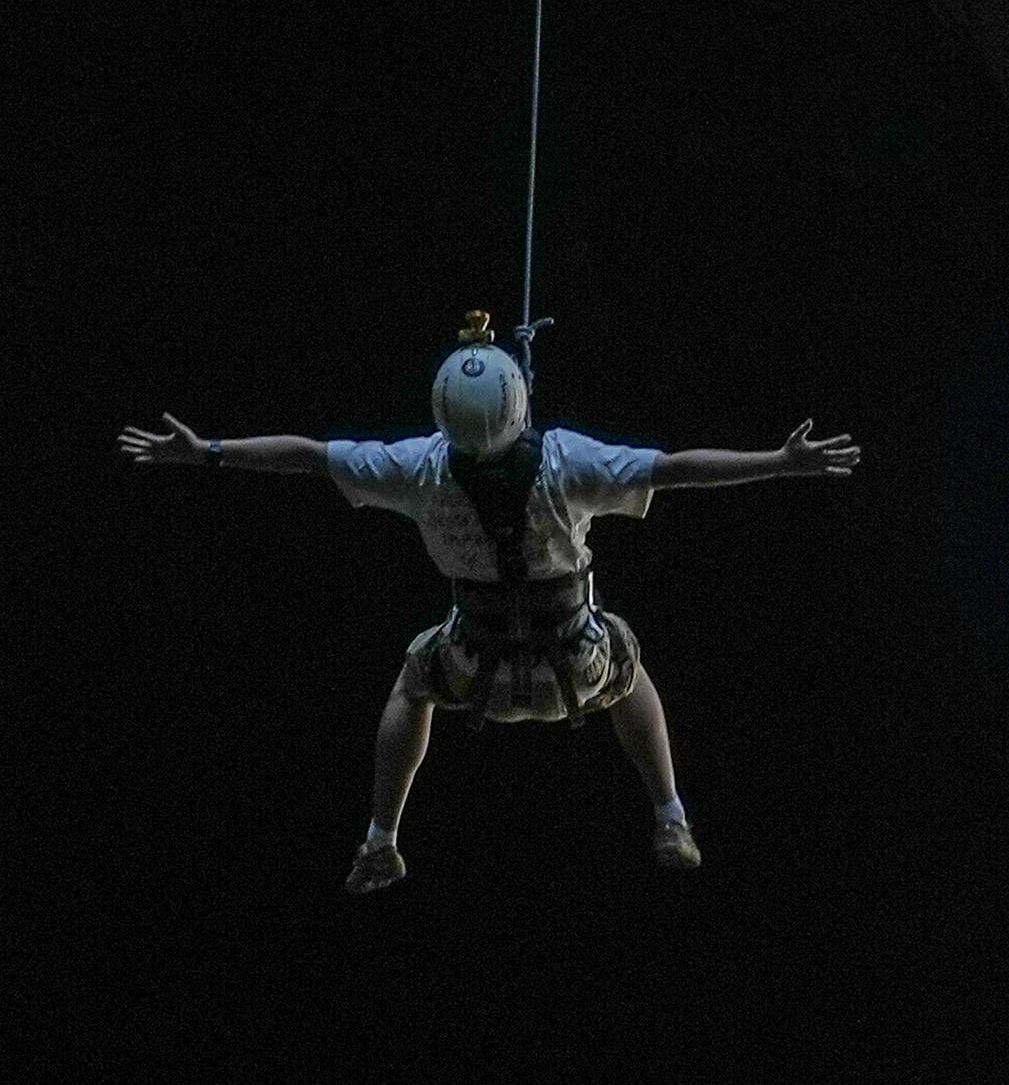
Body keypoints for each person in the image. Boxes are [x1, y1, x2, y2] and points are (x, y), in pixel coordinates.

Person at [120, 316, 861, 893]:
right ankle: (669, 814)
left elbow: (308, 454)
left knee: (415, 677)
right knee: (628, 657)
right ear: (519, 405)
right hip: (578, 671)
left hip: (473, 674)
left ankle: (382, 837)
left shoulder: (415, 467)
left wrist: (208, 450)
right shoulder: (570, 461)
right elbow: (677, 472)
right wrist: (778, 463)